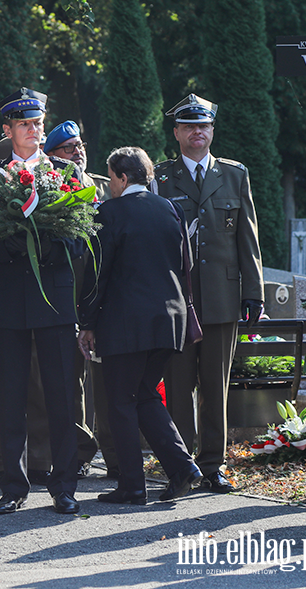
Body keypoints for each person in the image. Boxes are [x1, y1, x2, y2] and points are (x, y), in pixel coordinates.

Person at [0, 88, 84, 515]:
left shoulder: (65, 171)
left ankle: (65, 485)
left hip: (54, 298)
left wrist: (46, 248)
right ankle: (13, 486)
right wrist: (19, 247)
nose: (33, 131)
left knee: (60, 396)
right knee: (11, 396)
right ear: (8, 130)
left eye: (37, 123)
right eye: (24, 125)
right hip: (8, 299)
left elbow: (78, 237)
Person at [78, 147, 203, 504]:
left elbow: (96, 274)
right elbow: (186, 263)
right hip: (169, 321)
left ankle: (133, 486)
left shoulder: (109, 213)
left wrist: (87, 321)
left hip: (126, 324)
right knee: (144, 394)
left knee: (119, 400)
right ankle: (183, 468)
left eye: (111, 178)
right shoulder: (170, 209)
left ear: (121, 177)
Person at [153, 94, 264, 493]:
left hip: (221, 297)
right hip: (176, 300)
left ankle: (213, 464)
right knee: (178, 387)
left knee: (215, 386)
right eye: (189, 126)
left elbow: (247, 239)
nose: (197, 132)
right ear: (177, 133)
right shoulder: (161, 178)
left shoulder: (234, 175)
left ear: (212, 131)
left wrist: (255, 293)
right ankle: (183, 468)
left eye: (204, 126)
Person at [44, 120, 118, 479]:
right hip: (70, 298)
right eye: (68, 148)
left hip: (108, 296)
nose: (78, 152)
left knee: (105, 380)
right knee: (71, 382)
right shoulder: (52, 190)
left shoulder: (106, 187)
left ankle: (114, 452)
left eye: (79, 145)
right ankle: (79, 453)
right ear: (53, 156)